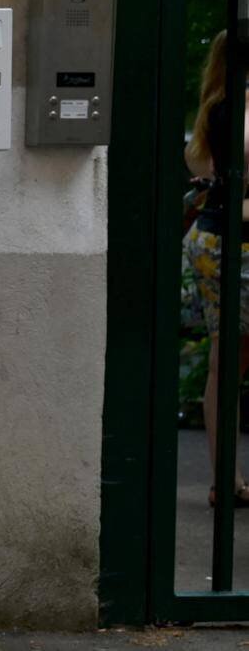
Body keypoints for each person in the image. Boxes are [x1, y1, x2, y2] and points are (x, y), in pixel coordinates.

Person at [182, 30, 249, 507]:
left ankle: (226, 479)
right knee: (228, 365)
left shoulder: (214, 107)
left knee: (225, 367)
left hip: (213, 238)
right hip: (234, 245)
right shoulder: (235, 106)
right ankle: (227, 480)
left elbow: (196, 165)